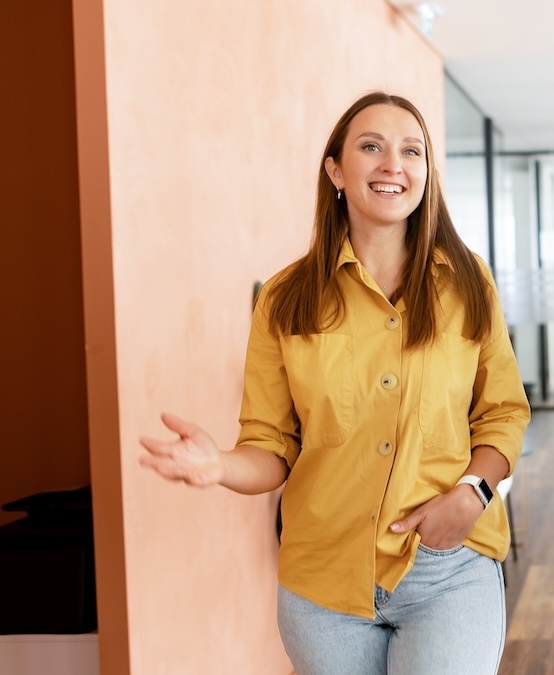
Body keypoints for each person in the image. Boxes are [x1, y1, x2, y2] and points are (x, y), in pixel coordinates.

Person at [139, 91, 530, 675]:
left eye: (411, 151)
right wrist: (220, 466)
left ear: (426, 172)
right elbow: (271, 448)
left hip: (447, 566)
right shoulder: (285, 300)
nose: (393, 165)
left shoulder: (469, 283)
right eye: (371, 147)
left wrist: (473, 492)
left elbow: (503, 412)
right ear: (336, 171)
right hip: (323, 585)